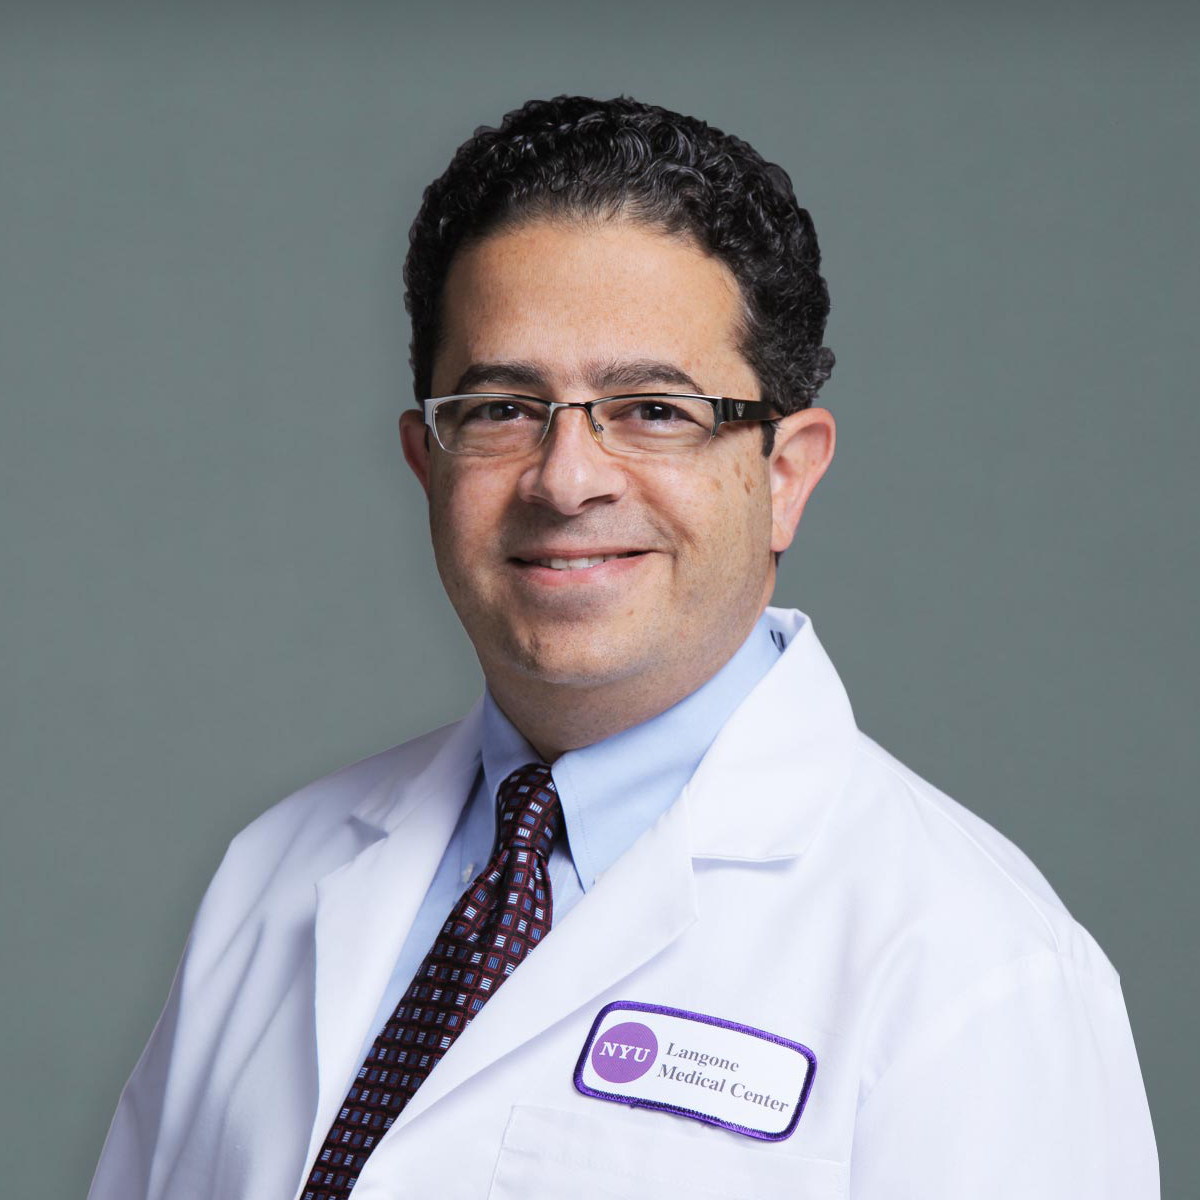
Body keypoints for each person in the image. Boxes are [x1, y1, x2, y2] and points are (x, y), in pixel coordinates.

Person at [88, 95, 1158, 1200]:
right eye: (502, 409)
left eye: (654, 410)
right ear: (426, 462)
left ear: (786, 475)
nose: (566, 481)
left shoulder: (977, 968)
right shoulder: (274, 873)